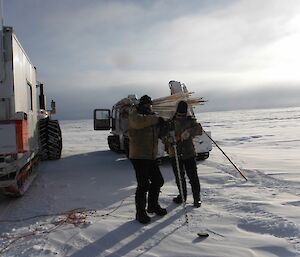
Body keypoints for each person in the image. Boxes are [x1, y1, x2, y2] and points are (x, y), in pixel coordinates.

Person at [128, 95, 167, 224]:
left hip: (151, 156)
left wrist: (166, 128)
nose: (148, 106)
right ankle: (140, 212)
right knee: (143, 185)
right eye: (145, 104)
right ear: (141, 104)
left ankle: (153, 206)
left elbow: (159, 134)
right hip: (138, 156)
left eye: (149, 104)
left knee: (158, 181)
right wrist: (156, 119)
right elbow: (137, 123)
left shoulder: (152, 116)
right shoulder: (135, 114)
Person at [165, 101, 202, 208]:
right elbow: (163, 137)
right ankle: (182, 196)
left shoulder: (190, 120)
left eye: (183, 113)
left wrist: (189, 132)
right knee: (179, 177)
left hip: (189, 153)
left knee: (193, 177)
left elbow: (199, 130)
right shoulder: (170, 122)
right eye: (180, 114)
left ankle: (197, 198)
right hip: (175, 153)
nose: (181, 116)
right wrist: (171, 139)